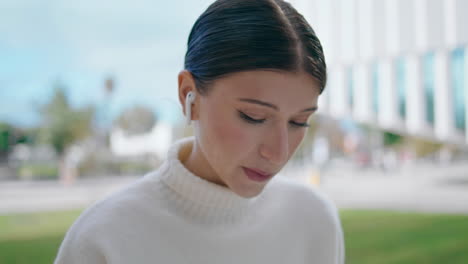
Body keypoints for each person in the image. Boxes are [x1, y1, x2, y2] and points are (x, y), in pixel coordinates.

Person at [54, 0, 345, 263]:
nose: (278, 152)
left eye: (298, 122)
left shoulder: (314, 220)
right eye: (253, 117)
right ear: (188, 94)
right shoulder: (102, 238)